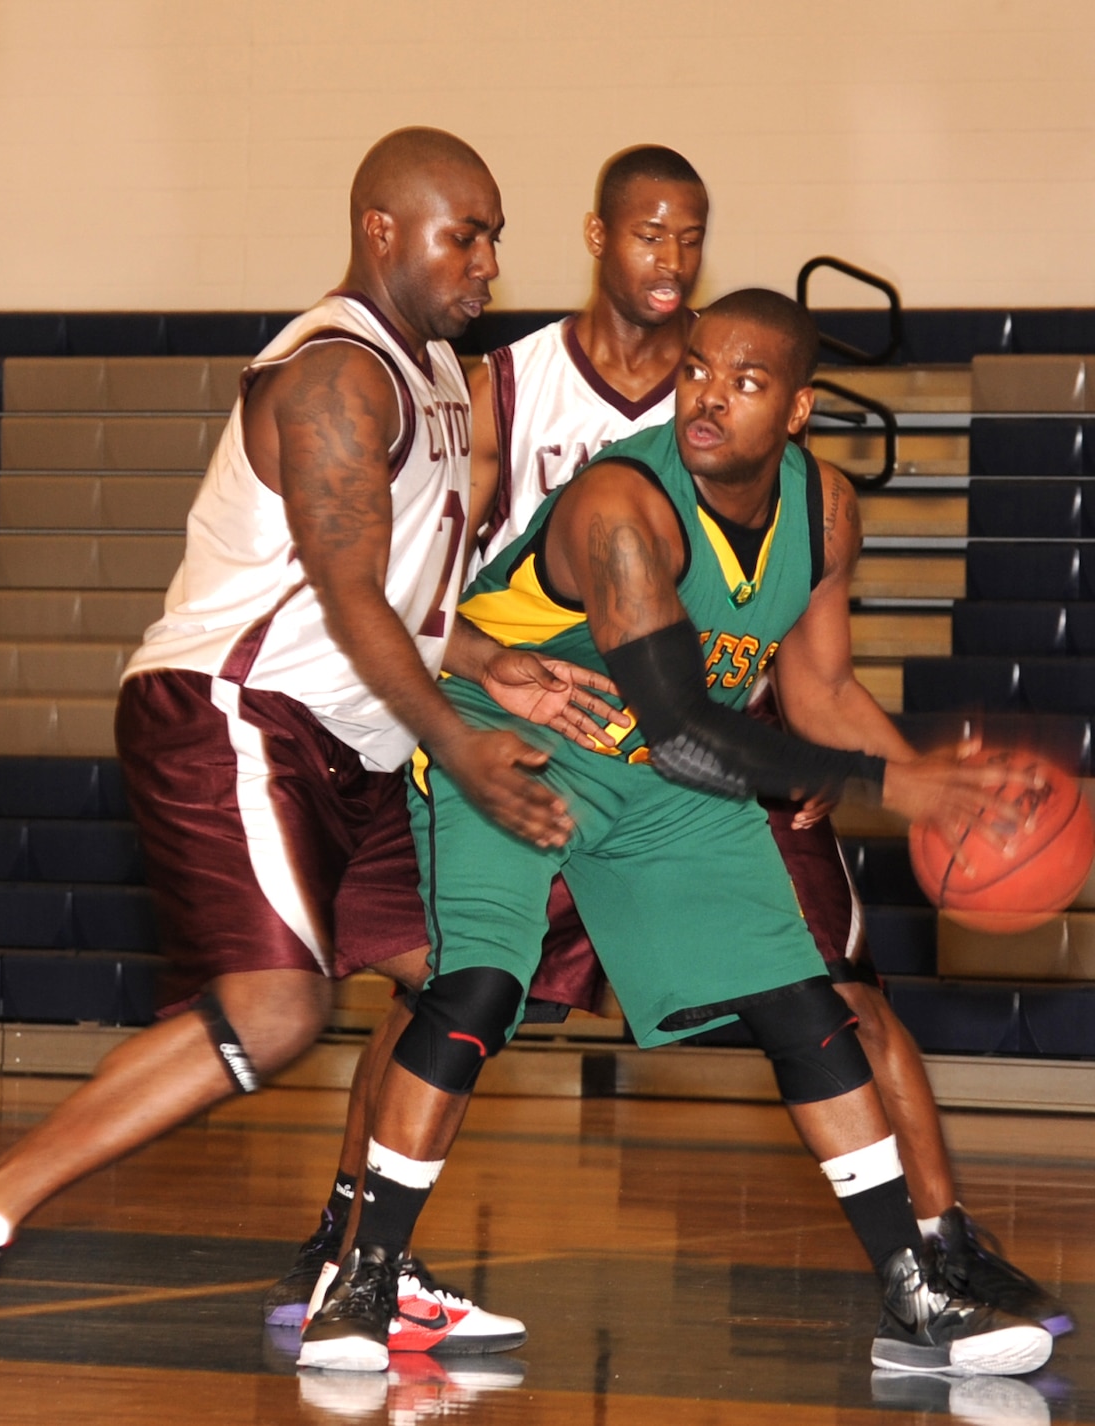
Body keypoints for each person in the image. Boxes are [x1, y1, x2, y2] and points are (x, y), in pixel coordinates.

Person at [268, 146, 1070, 1341]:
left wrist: (926, 776)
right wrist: (885, 785)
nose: (704, 395)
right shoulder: (619, 506)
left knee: (805, 999)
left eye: (744, 382)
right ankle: (362, 1281)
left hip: (657, 765)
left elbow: (813, 687)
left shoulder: (824, 508)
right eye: (695, 371)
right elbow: (689, 726)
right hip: (518, 736)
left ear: (796, 411)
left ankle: (916, 1287)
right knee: (474, 986)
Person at [0, 127, 626, 1371]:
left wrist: (490, 664)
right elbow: (343, 598)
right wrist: (468, 742)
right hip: (232, 713)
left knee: (464, 967)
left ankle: (359, 1262)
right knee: (275, 1012)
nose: (490, 260)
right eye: (467, 233)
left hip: (345, 734)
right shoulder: (338, 374)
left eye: (495, 233)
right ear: (381, 229)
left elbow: (398, 597)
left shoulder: (435, 374)